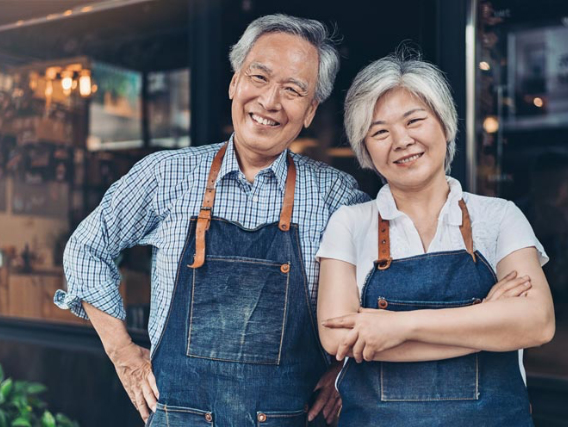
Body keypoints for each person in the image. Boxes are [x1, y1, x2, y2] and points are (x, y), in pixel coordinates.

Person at [55, 14, 369, 426]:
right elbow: (86, 248)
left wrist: (347, 373)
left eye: (293, 90)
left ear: (310, 111)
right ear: (234, 83)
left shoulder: (337, 196)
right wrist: (123, 353)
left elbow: (384, 291)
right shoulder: (164, 174)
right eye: (259, 77)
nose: (270, 101)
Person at [316, 54, 555, 426]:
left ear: (444, 124)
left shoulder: (499, 216)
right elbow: (339, 340)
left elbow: (538, 322)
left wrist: (397, 327)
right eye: (380, 132)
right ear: (365, 148)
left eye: (414, 121)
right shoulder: (349, 223)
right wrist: (489, 323)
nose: (401, 141)